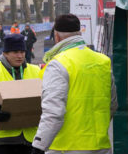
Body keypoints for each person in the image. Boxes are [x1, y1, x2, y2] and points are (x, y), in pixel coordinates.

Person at [31, 14, 118, 154]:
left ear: (57, 36)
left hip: (66, 148)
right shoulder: (103, 61)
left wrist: (39, 146)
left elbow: (53, 112)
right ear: (79, 33)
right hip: (101, 146)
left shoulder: (59, 64)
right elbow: (112, 105)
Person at [0, 34, 41, 154]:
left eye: (22, 51)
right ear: (5, 53)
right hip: (1, 140)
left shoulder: (36, 71)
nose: (20, 56)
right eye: (15, 52)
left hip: (33, 138)